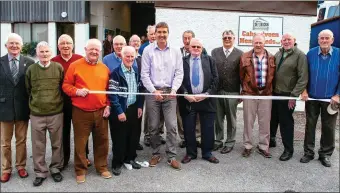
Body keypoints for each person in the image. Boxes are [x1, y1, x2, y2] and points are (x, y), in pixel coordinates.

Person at [62, 39, 112, 183]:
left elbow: (109, 90)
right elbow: (66, 85)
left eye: (97, 50)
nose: (94, 52)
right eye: (91, 49)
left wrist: (108, 105)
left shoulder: (104, 68)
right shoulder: (75, 66)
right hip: (81, 112)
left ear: (100, 52)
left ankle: (101, 167)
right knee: (80, 142)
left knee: (102, 141)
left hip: (101, 111)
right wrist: (77, 91)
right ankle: (80, 169)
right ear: (85, 49)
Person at [141, 22, 183, 170]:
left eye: (164, 32)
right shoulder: (147, 50)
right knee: (153, 126)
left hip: (170, 93)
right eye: (159, 32)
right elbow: (144, 74)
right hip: (153, 93)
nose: (161, 35)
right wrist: (153, 90)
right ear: (155, 34)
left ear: (168, 33)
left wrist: (174, 89)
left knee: (171, 126)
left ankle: (171, 156)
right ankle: (155, 153)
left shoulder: (176, 51)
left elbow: (179, 72)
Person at [25, 41, 64, 186]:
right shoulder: (31, 70)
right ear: (37, 53)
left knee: (57, 143)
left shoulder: (58, 68)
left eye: (47, 51)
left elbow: (61, 87)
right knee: (38, 145)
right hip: (36, 113)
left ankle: (55, 168)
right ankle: (40, 172)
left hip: (56, 112)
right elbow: (28, 89)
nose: (44, 54)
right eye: (41, 52)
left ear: (51, 52)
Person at [51, 34, 92, 169]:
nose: (65, 46)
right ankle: (64, 159)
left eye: (68, 43)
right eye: (62, 43)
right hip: (61, 103)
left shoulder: (80, 59)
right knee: (63, 132)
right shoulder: (53, 61)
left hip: (79, 102)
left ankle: (83, 156)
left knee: (81, 132)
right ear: (58, 46)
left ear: (73, 45)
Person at [300, 29, 339, 167]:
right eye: (321, 38)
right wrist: (304, 91)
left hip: (331, 100)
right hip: (312, 98)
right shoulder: (310, 54)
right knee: (310, 125)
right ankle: (308, 153)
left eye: (327, 38)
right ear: (318, 40)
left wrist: (338, 95)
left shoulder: (339, 54)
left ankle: (325, 154)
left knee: (328, 127)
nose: (324, 40)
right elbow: (303, 74)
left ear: (332, 40)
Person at [0, 33, 35, 183]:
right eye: (11, 43)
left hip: (22, 108)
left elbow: (32, 86)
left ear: (22, 46)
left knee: (21, 140)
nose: (14, 46)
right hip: (4, 108)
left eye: (17, 43)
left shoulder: (30, 62)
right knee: (5, 142)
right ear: (6, 46)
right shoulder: (0, 62)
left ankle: (21, 166)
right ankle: (6, 169)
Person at [180, 38, 219, 164]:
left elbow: (216, 79)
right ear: (189, 48)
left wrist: (207, 94)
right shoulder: (182, 61)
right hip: (189, 100)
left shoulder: (210, 60)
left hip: (206, 99)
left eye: (198, 47)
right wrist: (185, 94)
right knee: (188, 128)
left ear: (202, 48)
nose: (196, 49)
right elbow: (178, 78)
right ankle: (190, 153)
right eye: (194, 46)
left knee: (208, 128)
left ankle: (207, 153)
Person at [270, 33, 308, 161]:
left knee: (286, 122)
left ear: (294, 41)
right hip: (275, 93)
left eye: (289, 40)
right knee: (273, 118)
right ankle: (272, 139)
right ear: (281, 41)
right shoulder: (279, 53)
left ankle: (288, 150)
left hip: (287, 95)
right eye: (284, 40)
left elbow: (303, 78)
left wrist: (294, 95)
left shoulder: (300, 56)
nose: (286, 42)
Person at [108, 46, 144, 176]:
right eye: (127, 56)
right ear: (122, 57)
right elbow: (112, 95)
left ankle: (130, 159)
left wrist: (140, 106)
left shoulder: (136, 70)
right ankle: (117, 163)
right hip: (121, 109)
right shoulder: (115, 73)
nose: (130, 59)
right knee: (119, 138)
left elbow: (140, 90)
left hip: (134, 108)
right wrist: (119, 111)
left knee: (133, 136)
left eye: (132, 56)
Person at [239, 33, 276, 158]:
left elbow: (274, 76)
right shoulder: (244, 57)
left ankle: (263, 146)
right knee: (248, 121)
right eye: (256, 42)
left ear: (264, 43)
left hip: (266, 94)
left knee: (265, 122)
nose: (258, 44)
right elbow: (241, 76)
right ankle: (247, 146)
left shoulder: (271, 57)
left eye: (260, 42)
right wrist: (243, 91)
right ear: (252, 43)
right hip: (250, 93)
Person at [211, 30, 243, 153]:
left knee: (231, 119)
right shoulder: (215, 52)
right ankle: (218, 140)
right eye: (225, 38)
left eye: (229, 37)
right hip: (218, 91)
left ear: (234, 39)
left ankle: (230, 142)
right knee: (218, 119)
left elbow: (242, 75)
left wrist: (242, 92)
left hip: (232, 91)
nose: (227, 39)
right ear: (222, 39)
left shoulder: (240, 54)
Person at [177, 30, 202, 148]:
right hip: (181, 89)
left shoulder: (200, 51)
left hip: (196, 89)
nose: (187, 41)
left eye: (189, 38)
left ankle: (196, 137)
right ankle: (183, 138)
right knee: (181, 115)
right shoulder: (178, 52)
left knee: (196, 115)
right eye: (185, 38)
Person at [129, 34, 144, 150]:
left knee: (138, 118)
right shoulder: (126, 56)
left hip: (139, 92)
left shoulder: (141, 58)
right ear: (129, 43)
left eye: (138, 41)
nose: (136, 43)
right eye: (133, 41)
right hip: (128, 93)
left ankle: (136, 141)